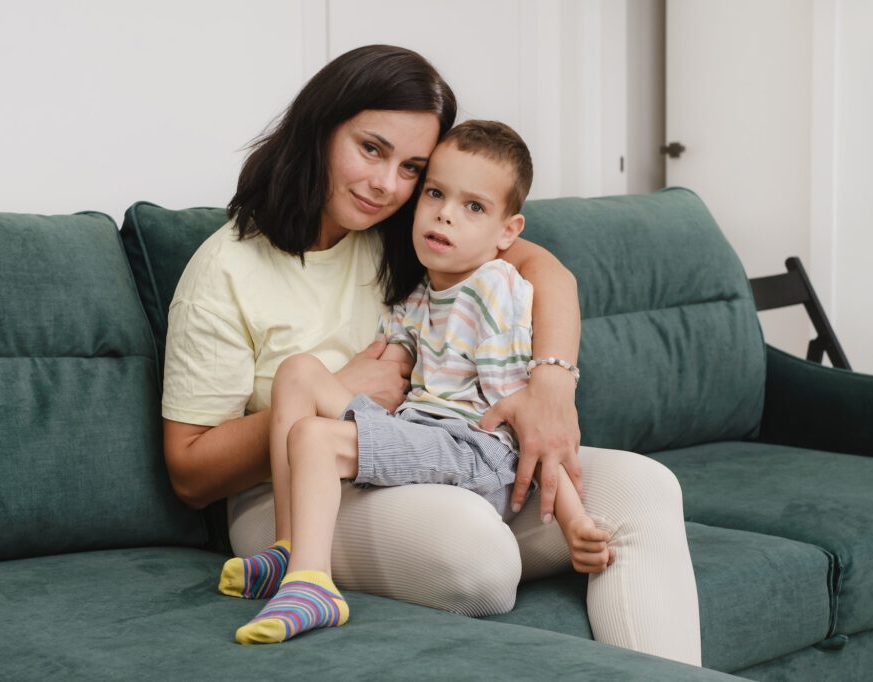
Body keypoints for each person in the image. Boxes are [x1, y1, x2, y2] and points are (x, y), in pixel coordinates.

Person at [162, 44, 701, 664]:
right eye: (370, 149)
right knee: (477, 553)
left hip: (429, 450)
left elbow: (547, 274)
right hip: (287, 499)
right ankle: (298, 568)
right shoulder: (226, 269)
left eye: (412, 167)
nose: (386, 184)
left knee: (643, 488)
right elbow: (188, 472)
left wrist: (551, 389)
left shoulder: (412, 228)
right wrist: (344, 389)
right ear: (319, 128)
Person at [220, 119, 619, 645]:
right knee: (298, 372)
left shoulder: (493, 287)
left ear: (508, 232)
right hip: (420, 431)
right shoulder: (422, 294)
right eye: (434, 193)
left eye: (473, 207)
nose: (445, 213)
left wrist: (572, 521)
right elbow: (387, 377)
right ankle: (289, 549)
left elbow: (522, 416)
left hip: (473, 450)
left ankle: (312, 585)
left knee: (315, 437)